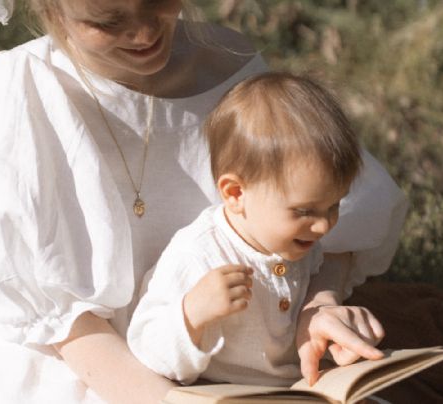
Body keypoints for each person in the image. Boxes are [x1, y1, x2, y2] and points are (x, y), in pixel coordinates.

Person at [0, 1, 407, 403]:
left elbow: (331, 217)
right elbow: (65, 325)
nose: (144, 32)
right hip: (90, 358)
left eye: (158, 0)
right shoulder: (20, 103)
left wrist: (315, 308)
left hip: (241, 348)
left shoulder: (229, 68)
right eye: (106, 21)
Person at [126, 71, 385, 387]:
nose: (323, 225)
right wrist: (192, 313)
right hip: (222, 392)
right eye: (304, 211)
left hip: (294, 387)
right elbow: (146, 346)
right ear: (235, 194)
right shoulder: (199, 254)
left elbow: (316, 280)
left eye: (334, 207)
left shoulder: (297, 241)